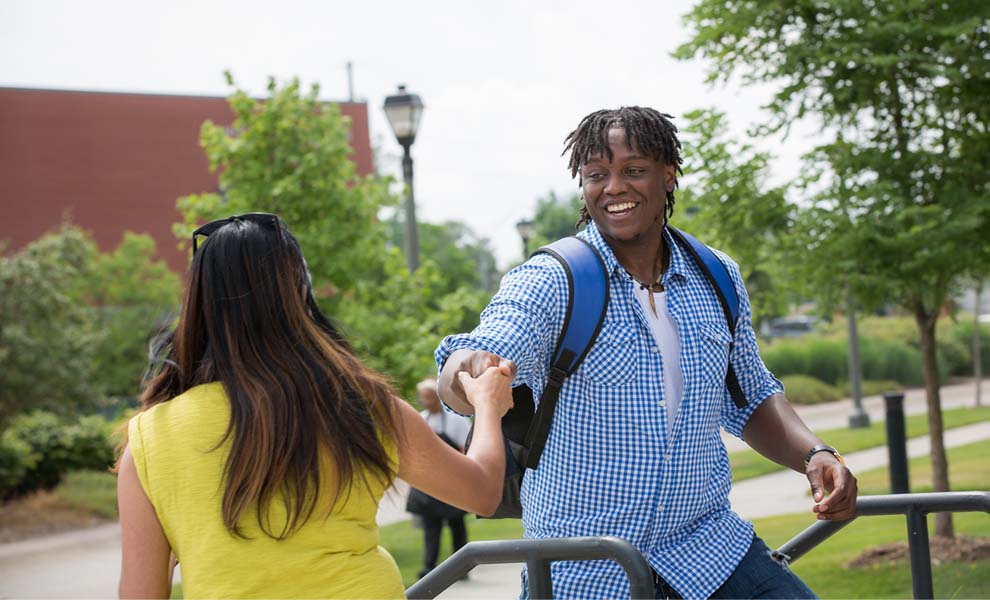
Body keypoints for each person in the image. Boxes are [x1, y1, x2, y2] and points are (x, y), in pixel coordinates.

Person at [436, 107, 858, 599]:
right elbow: (479, 349)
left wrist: (815, 453)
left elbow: (752, 396)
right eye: (597, 174)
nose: (614, 186)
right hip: (585, 568)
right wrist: (471, 373)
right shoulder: (553, 280)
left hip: (709, 550)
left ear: (668, 174)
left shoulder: (716, 277)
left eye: (633, 170)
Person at [115, 213, 513, 599]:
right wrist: (486, 404)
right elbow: (481, 491)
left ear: (198, 304)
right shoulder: (359, 405)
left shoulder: (149, 441)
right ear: (300, 293)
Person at [407, 378, 473, 579]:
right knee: (431, 528)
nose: (426, 401)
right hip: (428, 484)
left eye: (429, 397)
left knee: (456, 526)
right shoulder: (420, 419)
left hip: (453, 481)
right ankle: (429, 568)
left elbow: (467, 449)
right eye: (423, 398)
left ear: (438, 397)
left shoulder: (457, 420)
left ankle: (462, 568)